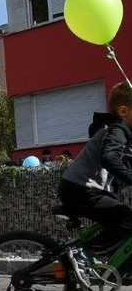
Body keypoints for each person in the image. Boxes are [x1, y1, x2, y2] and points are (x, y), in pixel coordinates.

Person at [58, 81, 132, 264]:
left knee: (119, 220)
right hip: (81, 189)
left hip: (80, 188)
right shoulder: (116, 130)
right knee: (128, 219)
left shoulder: (121, 132)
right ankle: (83, 257)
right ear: (123, 111)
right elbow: (110, 158)